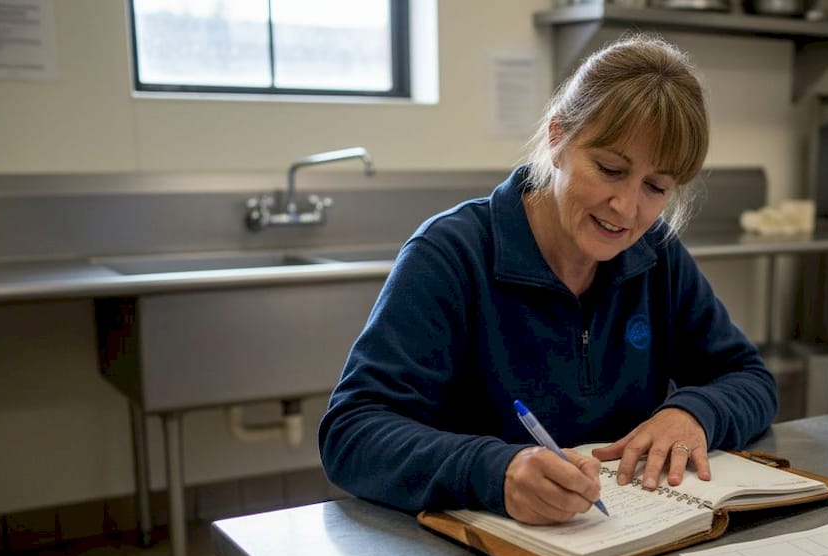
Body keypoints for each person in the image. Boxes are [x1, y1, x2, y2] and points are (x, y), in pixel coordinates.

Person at [319, 35, 777, 525]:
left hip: (621, 535)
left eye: (655, 187)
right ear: (558, 139)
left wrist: (693, 414)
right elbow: (353, 433)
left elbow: (750, 378)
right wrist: (497, 471)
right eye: (610, 170)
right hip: (474, 550)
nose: (626, 208)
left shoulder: (656, 255)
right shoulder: (452, 254)